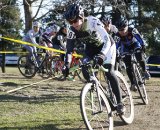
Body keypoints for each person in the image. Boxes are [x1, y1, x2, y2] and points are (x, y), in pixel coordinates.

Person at [62, 3, 125, 114]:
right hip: (91, 50)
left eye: (75, 21)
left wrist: (102, 55)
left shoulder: (93, 21)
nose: (73, 24)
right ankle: (102, 94)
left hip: (107, 46)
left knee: (109, 71)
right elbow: (69, 50)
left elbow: (107, 40)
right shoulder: (71, 30)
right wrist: (66, 65)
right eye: (70, 22)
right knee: (86, 71)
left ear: (81, 16)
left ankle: (120, 103)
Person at [114, 16, 150, 91]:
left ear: (127, 26)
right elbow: (115, 47)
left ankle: (144, 71)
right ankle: (133, 83)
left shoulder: (132, 30)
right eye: (120, 30)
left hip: (135, 44)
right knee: (128, 66)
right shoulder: (117, 36)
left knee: (139, 56)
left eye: (123, 29)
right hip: (125, 48)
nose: (122, 31)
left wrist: (143, 45)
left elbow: (139, 38)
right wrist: (116, 55)